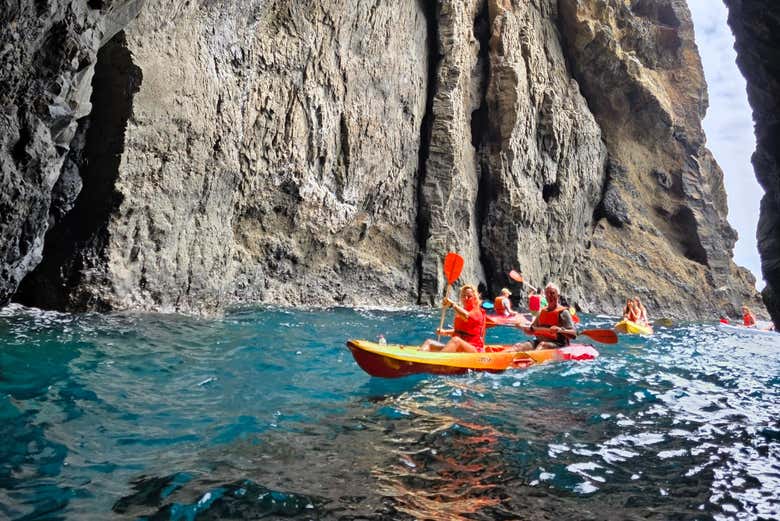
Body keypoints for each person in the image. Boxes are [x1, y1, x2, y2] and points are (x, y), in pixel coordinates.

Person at [509, 282, 577, 351]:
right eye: (547, 293)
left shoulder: (563, 312)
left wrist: (560, 330)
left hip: (558, 344)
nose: (549, 296)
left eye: (552, 293)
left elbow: (574, 334)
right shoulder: (542, 312)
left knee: (542, 345)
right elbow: (531, 331)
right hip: (539, 342)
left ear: (558, 296)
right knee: (518, 346)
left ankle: (534, 359)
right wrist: (521, 327)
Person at [419, 284, 487, 353]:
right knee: (429, 342)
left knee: (456, 340)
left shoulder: (478, 312)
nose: (466, 298)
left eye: (469, 296)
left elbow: (467, 317)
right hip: (460, 348)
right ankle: (418, 361)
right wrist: (444, 332)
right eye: (463, 296)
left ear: (475, 298)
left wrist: (452, 305)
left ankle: (437, 361)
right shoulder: (462, 311)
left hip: (475, 350)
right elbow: (461, 332)